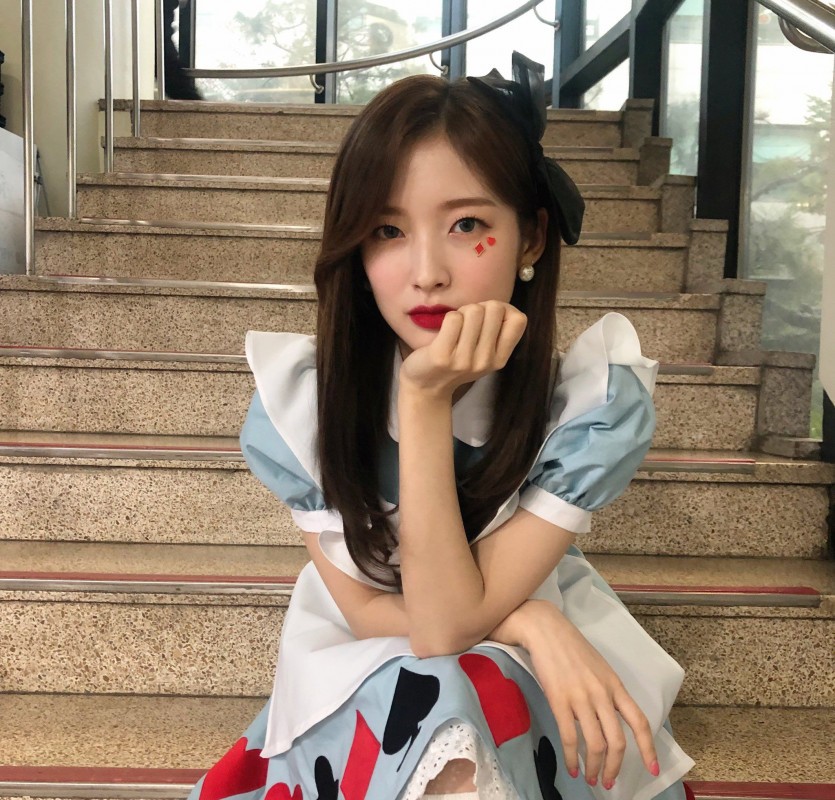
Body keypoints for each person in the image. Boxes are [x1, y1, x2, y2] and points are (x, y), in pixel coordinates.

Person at [186, 54, 695, 800]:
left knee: (464, 684)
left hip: (511, 662)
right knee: (438, 689)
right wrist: (529, 620)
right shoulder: (305, 409)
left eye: (466, 224)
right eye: (387, 230)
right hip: (366, 649)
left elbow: (449, 625)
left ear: (530, 238)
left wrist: (425, 404)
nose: (426, 272)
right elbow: (389, 618)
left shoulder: (586, 409)